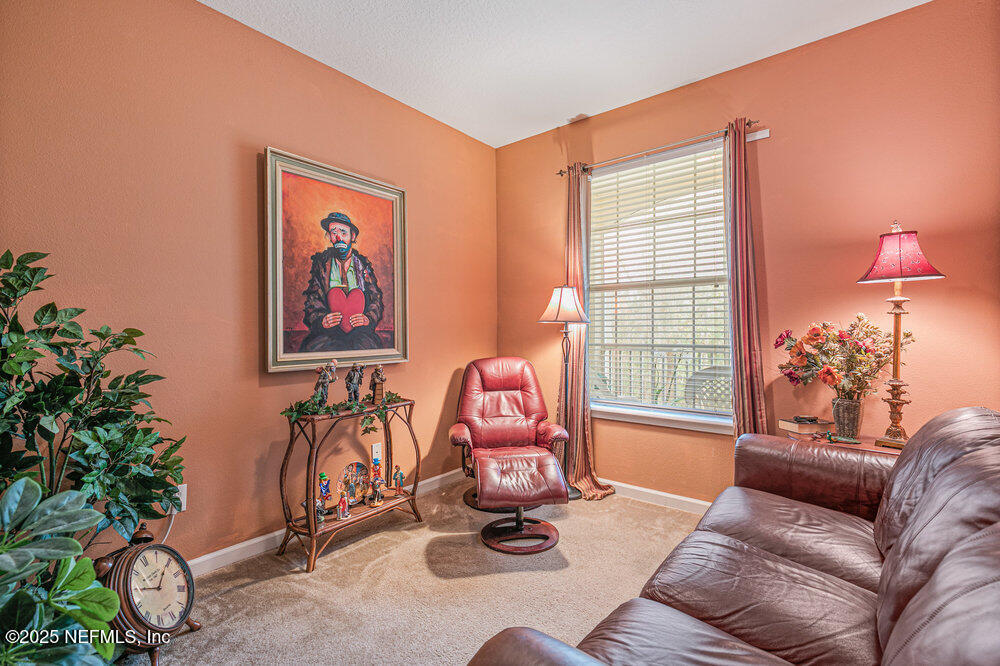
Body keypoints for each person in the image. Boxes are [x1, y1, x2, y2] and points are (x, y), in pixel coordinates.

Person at [300, 212, 384, 352]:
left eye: (343, 232)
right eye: (334, 232)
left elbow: (376, 299)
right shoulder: (321, 265)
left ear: (353, 236)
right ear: (330, 236)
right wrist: (322, 321)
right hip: (328, 334)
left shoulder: (363, 265)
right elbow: (312, 301)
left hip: (360, 333)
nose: (338, 237)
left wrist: (368, 319)